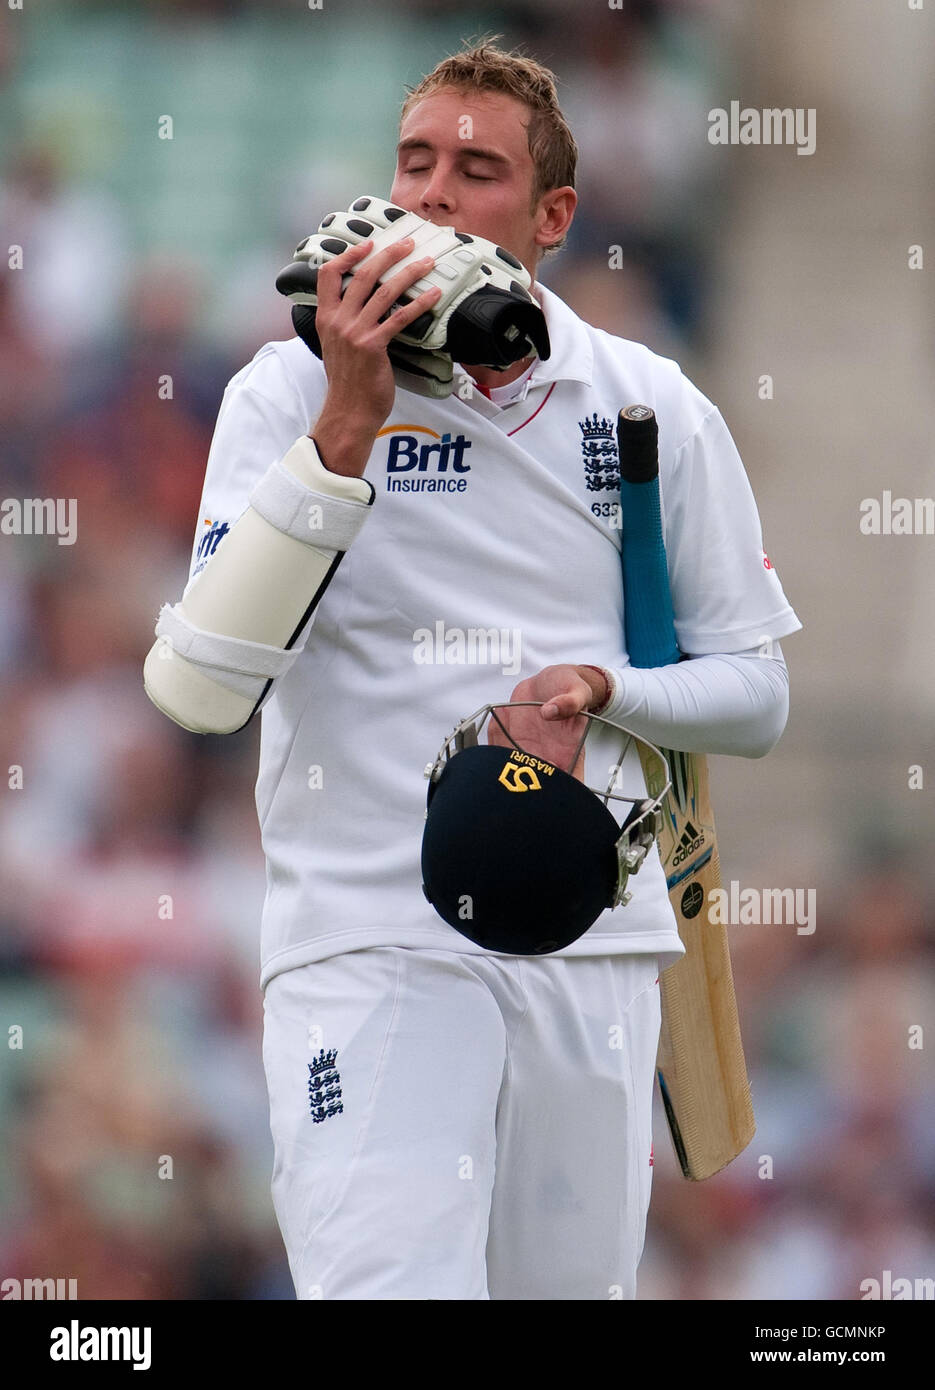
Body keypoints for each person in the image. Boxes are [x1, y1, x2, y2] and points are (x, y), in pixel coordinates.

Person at [144, 41, 800, 1300]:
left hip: (592, 939)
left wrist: (609, 691)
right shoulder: (286, 391)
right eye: (415, 163)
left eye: (478, 171)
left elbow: (753, 695)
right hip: (370, 932)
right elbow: (199, 688)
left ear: (552, 215)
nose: (433, 196)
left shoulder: (644, 403)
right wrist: (343, 431)